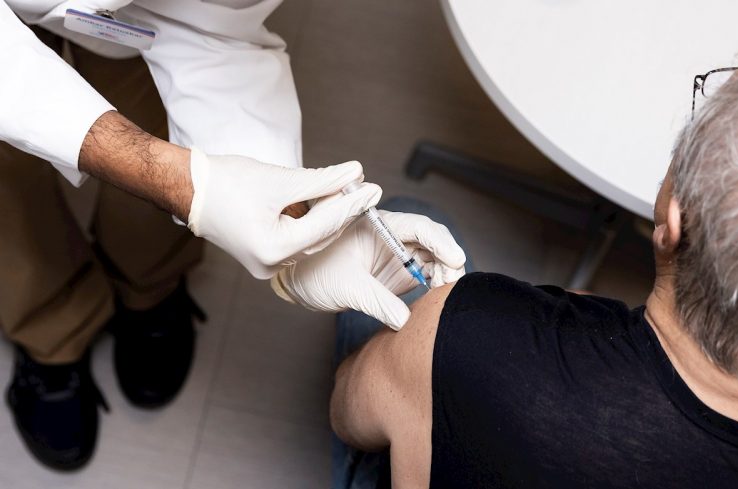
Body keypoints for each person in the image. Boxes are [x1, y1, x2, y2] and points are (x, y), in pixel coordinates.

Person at [0, 0, 464, 470]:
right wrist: (182, 182)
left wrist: (298, 230)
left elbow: (215, 35)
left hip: (127, 23)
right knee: (9, 197)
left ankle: (151, 290)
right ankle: (52, 331)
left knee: (149, 116)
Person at [322, 64, 738, 487]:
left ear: (674, 224)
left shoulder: (470, 331)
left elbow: (347, 415)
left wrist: (443, 324)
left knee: (409, 230)